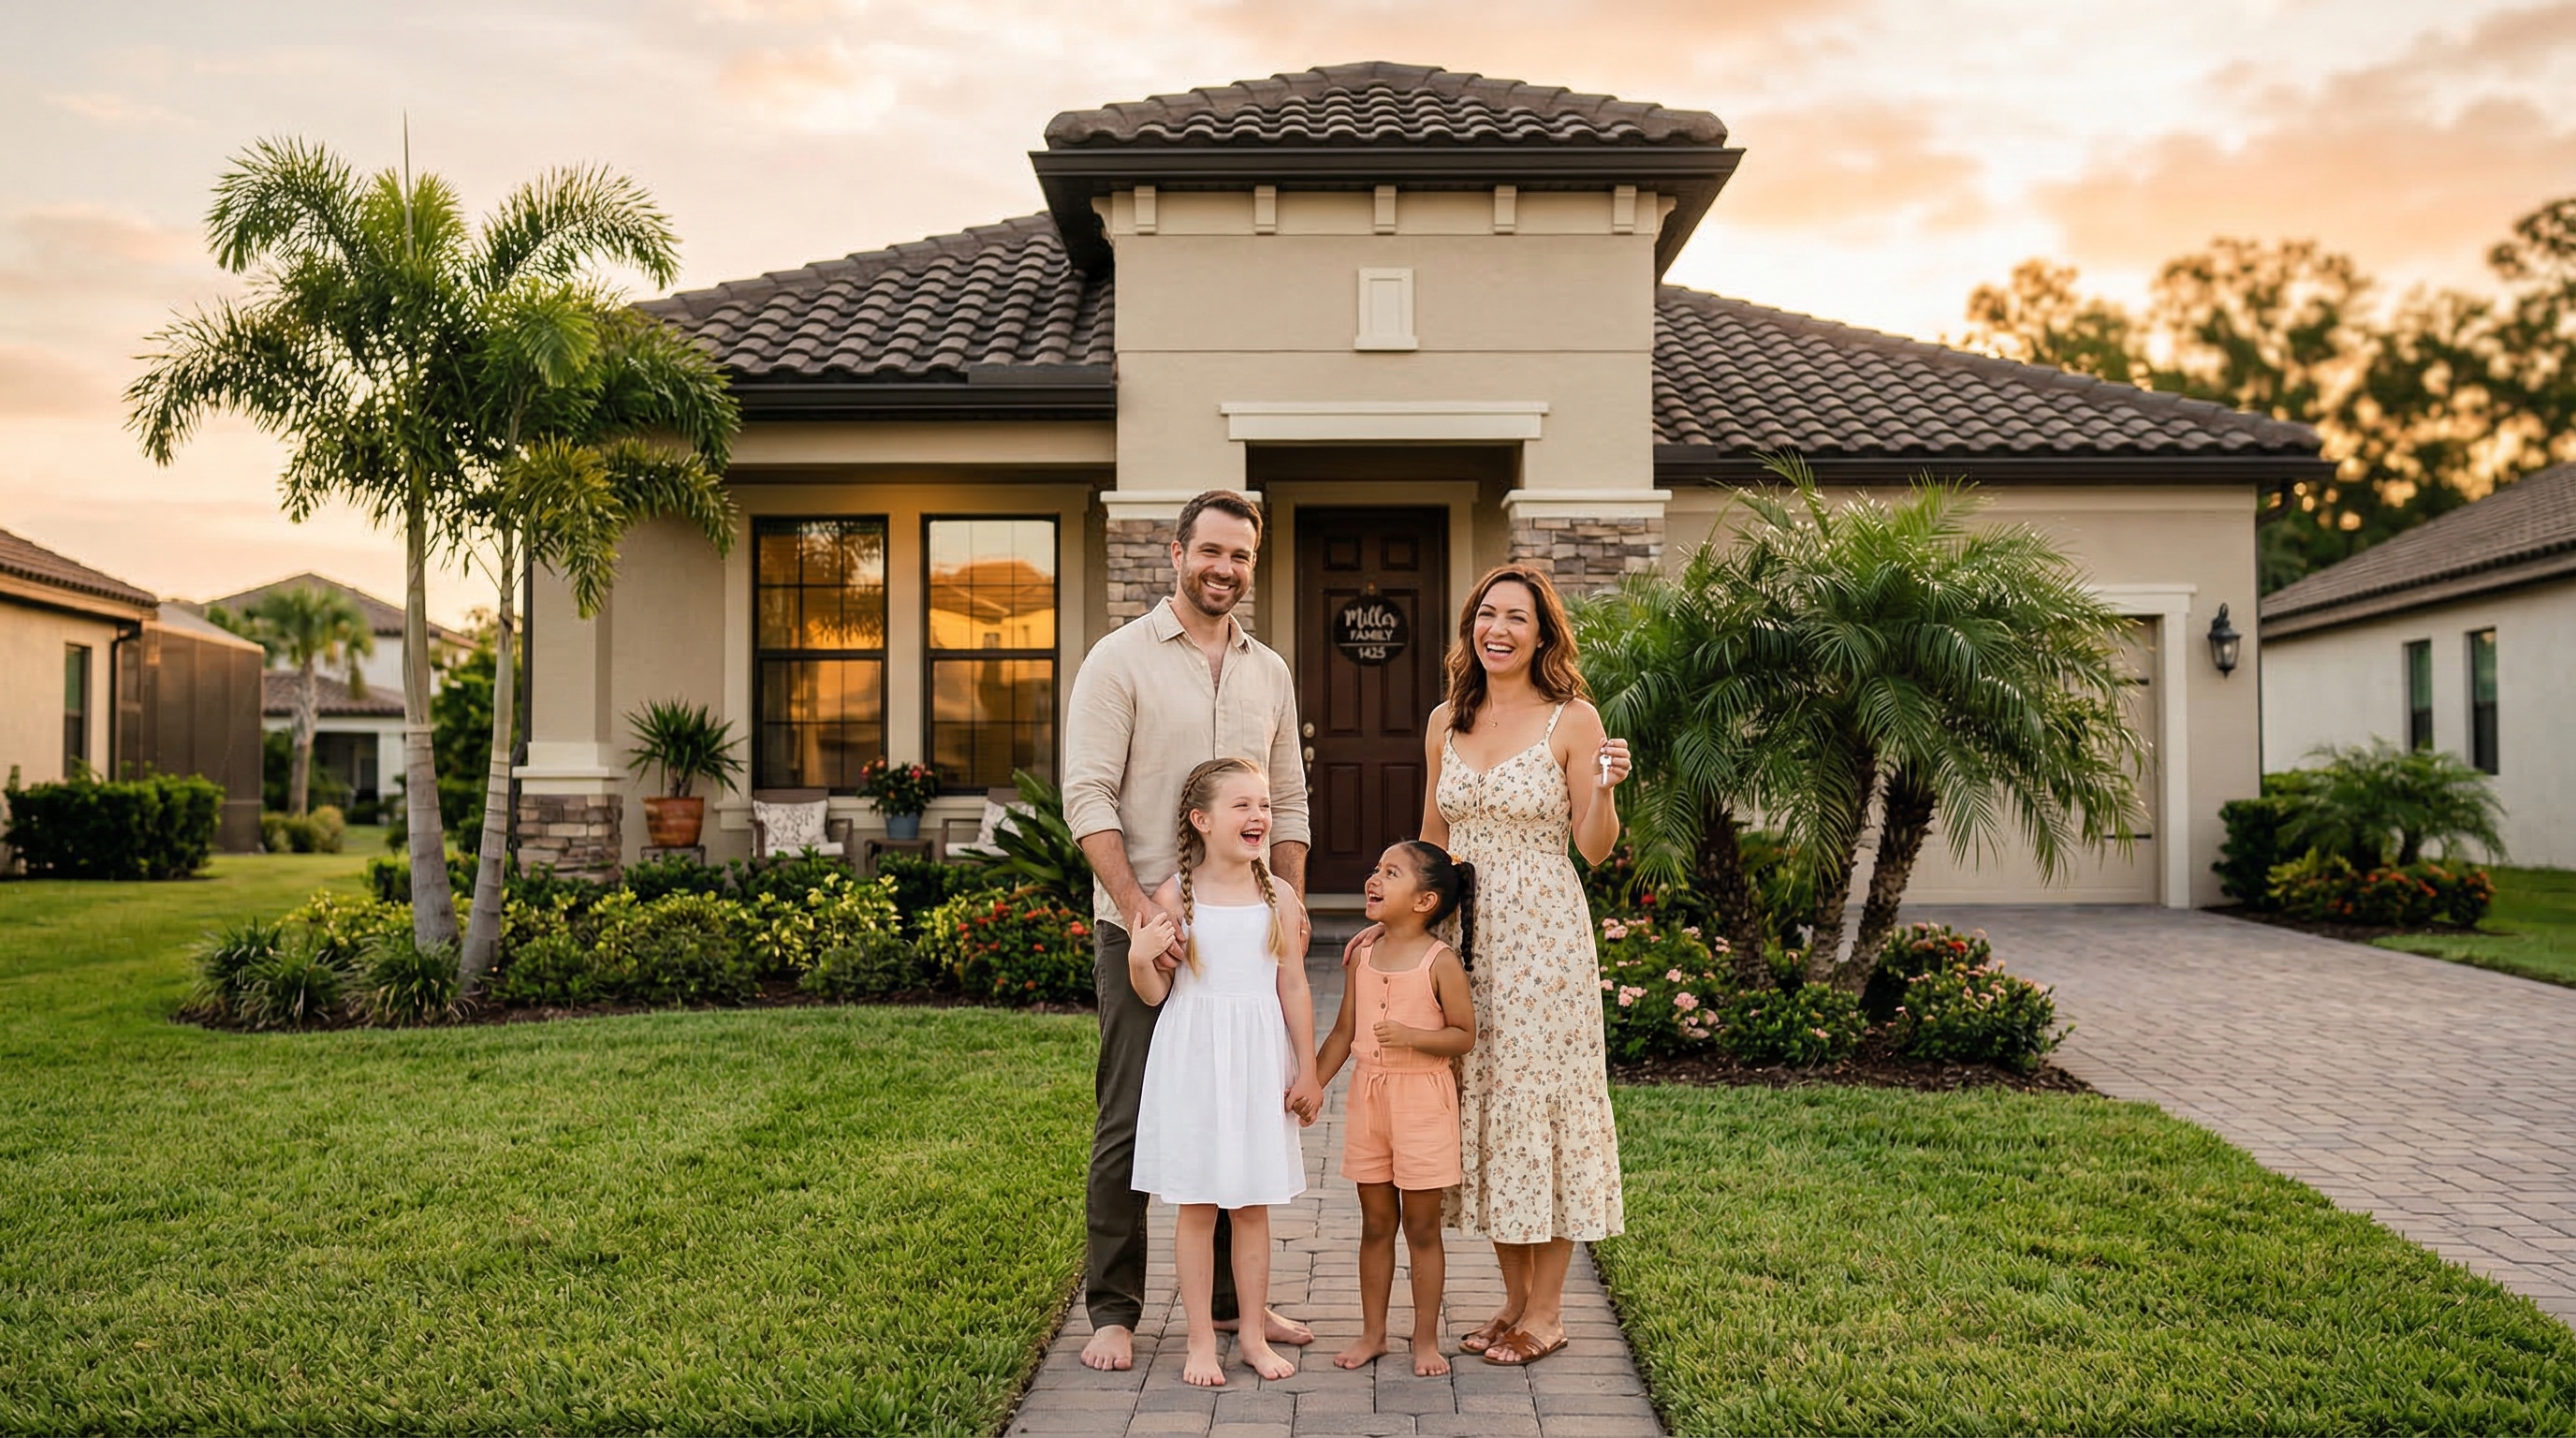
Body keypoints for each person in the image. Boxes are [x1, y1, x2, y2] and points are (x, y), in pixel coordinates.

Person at [1348, 562, 1632, 1368]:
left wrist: (1606, 789)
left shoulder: (1572, 721)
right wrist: (1403, 924)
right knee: (1485, 1103)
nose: (1498, 630)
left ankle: (1549, 1311)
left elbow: (1593, 847)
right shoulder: (1446, 719)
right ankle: (1512, 1301)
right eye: (1486, 615)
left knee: (1544, 1107)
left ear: (1543, 634)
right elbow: (1431, 841)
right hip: (1467, 936)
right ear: (1471, 627)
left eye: (1517, 618)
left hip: (1544, 939)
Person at [1061, 490, 1315, 1373]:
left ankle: (1238, 1310)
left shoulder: (1268, 671)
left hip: (1245, 934)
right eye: (1209, 551)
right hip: (1142, 932)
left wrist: (1289, 908)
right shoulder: (1118, 660)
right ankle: (1115, 1308)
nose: (1224, 568)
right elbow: (1087, 795)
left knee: (1240, 1113)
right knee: (1133, 1119)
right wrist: (1142, 913)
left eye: (1240, 556)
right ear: (1175, 554)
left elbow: (1288, 802)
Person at [1126, 756, 1323, 1387]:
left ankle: (1254, 1338)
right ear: (1202, 820)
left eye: (1263, 805)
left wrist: (1309, 1070)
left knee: (1253, 1206)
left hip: (1260, 1064)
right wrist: (1139, 957)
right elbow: (1155, 994)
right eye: (1243, 806)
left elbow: (1293, 986)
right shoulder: (1172, 895)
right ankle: (1201, 1342)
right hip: (1194, 1063)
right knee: (1197, 1206)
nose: (1259, 816)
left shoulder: (1279, 895)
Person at [1313, 840, 1478, 1377]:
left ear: (1425, 900)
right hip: (1369, 1098)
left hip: (1422, 1102)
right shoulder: (1362, 955)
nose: (1373, 878)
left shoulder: (1440, 962)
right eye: (1376, 869)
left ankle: (1425, 1339)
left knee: (1422, 1229)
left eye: (1390, 872)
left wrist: (1412, 1035)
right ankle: (1373, 1333)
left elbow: (1464, 1037)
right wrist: (1311, 1083)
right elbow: (1343, 1031)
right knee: (1376, 1223)